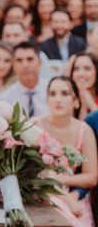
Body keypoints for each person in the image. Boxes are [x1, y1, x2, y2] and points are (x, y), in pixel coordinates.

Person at [35, 76, 97, 227]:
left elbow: (92, 177)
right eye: (53, 94)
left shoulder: (84, 130)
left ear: (75, 101)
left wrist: (59, 180)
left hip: (74, 198)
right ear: (47, 99)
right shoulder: (34, 126)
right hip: (40, 197)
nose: (58, 99)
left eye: (64, 93)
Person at [0, 42, 48, 118]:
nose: (25, 65)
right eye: (19, 60)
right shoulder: (5, 98)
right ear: (13, 65)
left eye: (30, 59)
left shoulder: (53, 91)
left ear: (40, 62)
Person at [70, 53, 98, 120]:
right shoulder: (67, 97)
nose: (81, 74)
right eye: (76, 69)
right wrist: (83, 106)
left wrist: (91, 103)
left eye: (87, 69)